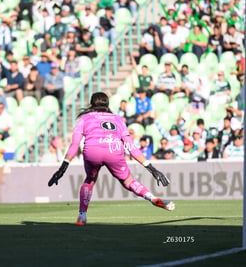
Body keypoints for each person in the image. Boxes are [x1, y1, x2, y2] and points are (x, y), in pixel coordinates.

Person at [48, 92, 175, 226]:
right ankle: (152, 198)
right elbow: (131, 147)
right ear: (107, 105)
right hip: (114, 150)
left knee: (90, 180)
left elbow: (74, 145)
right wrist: (152, 169)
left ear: (91, 104)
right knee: (128, 181)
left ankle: (82, 215)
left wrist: (62, 168)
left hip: (92, 151)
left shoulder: (84, 119)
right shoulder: (118, 119)